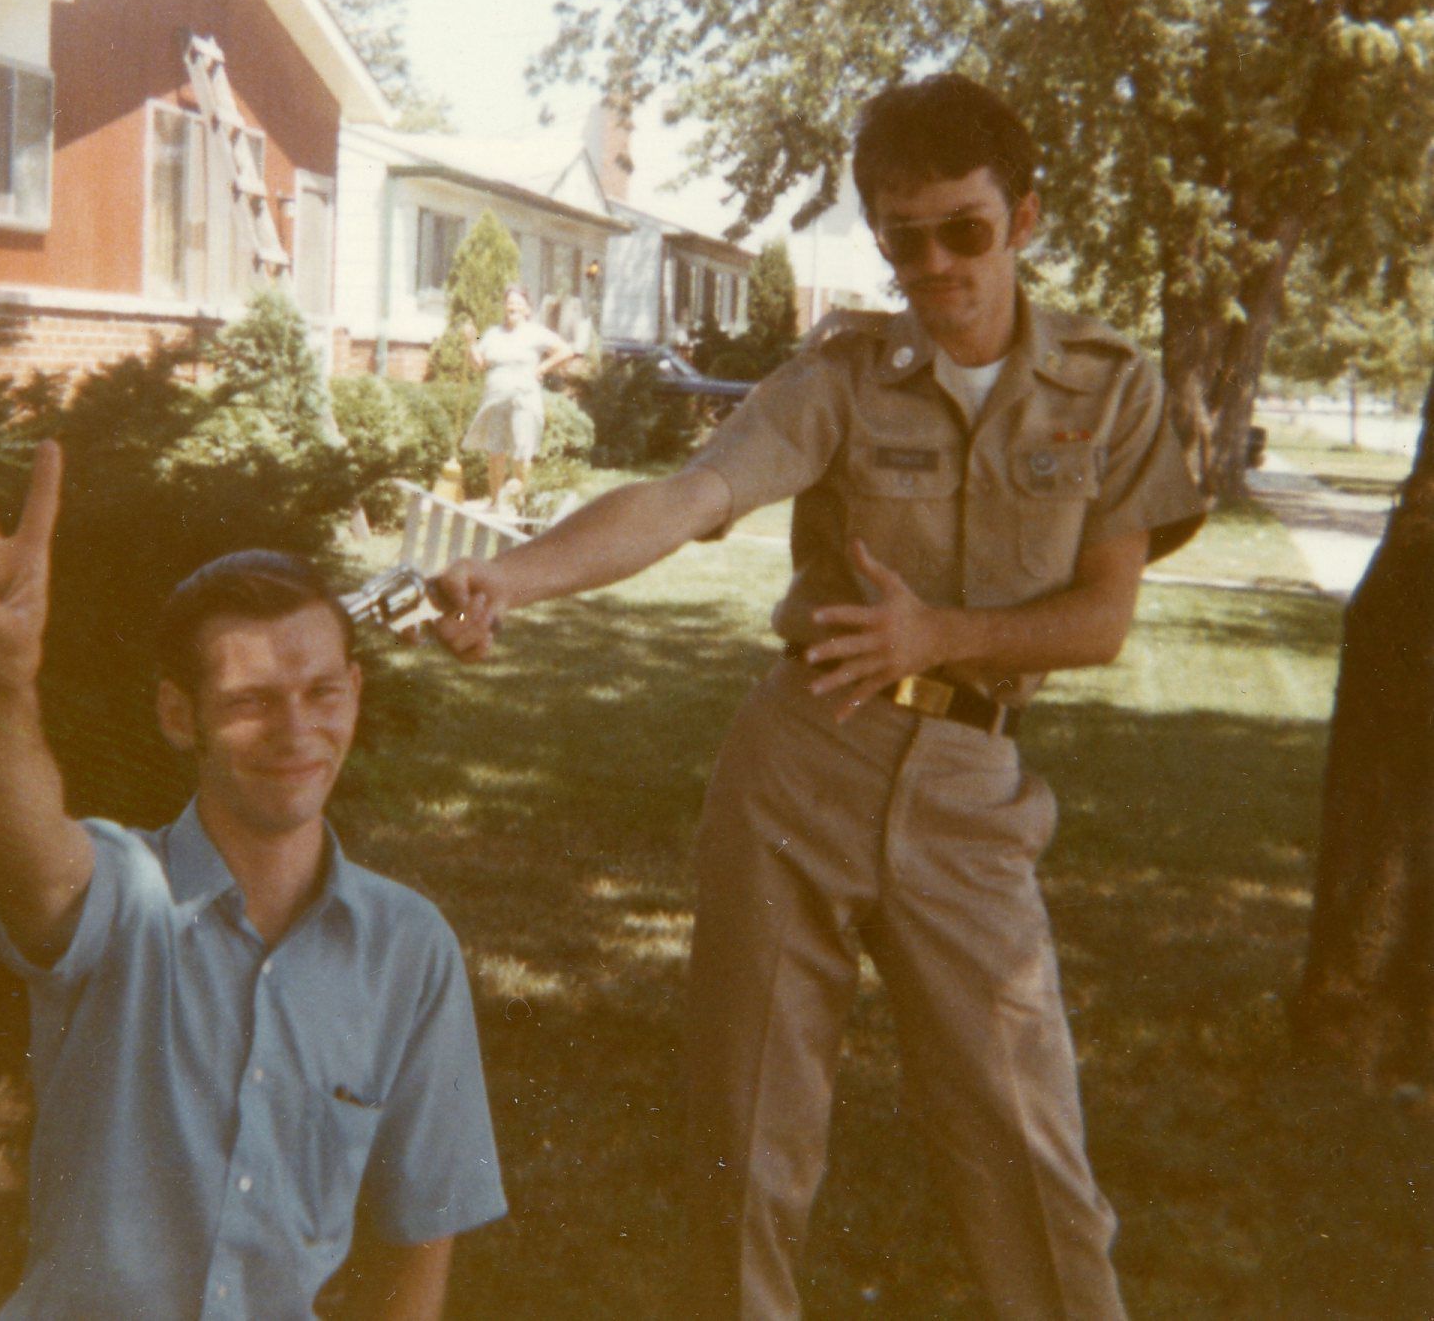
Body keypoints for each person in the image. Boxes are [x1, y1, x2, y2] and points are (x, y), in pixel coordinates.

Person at [434, 75, 1206, 1320]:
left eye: (965, 229)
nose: (936, 264)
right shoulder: (844, 373)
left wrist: (940, 632)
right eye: (905, 238)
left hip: (972, 787)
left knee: (1028, 1139)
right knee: (749, 1141)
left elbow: (1102, 620)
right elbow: (689, 498)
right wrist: (509, 578)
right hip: (802, 767)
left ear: (1024, 219)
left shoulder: (1110, 385)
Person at [0, 436, 507, 1321]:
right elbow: (27, 849)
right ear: (177, 713)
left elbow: (422, 1233)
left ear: (354, 689)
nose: (296, 731)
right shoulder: (123, 896)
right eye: (250, 701)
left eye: (321, 692)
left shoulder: (409, 948)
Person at [460, 284, 576, 512]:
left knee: (521, 452)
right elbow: (478, 365)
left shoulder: (536, 332)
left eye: (518, 303)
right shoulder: (493, 334)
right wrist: (471, 342)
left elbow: (566, 351)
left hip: (524, 398)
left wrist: (542, 368)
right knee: (495, 451)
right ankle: (495, 503)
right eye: (509, 302)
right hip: (495, 399)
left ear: (527, 309)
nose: (512, 307)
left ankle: (520, 504)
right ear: (504, 307)